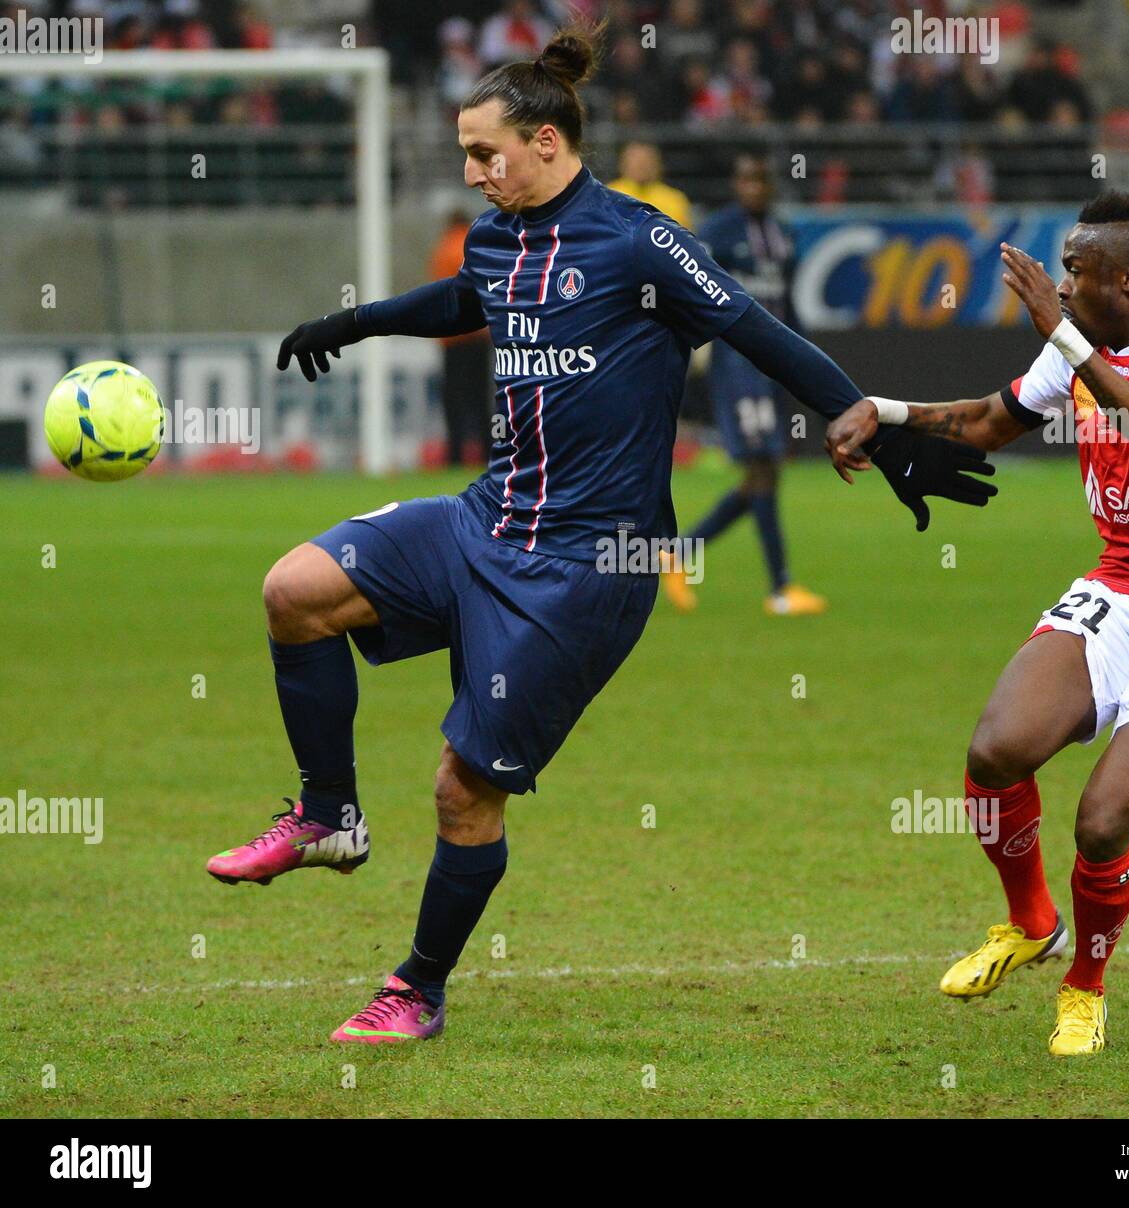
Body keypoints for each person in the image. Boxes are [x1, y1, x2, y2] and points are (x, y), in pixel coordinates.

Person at [205, 23, 997, 1044]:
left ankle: (417, 988)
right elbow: (463, 295)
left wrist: (879, 432)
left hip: (586, 569)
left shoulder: (636, 240)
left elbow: (756, 328)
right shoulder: (495, 233)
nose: (472, 172)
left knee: (462, 788)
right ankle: (328, 815)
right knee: (293, 589)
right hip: (483, 518)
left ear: (545, 141)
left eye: (485, 152)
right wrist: (351, 324)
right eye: (463, 154)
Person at [826, 192, 1129, 1056]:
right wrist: (881, 412)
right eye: (1062, 270)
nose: (1062, 282)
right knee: (996, 749)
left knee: (1103, 822)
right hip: (1121, 591)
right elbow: (993, 421)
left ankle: (1085, 986)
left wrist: (1062, 337)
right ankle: (1031, 922)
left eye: (1077, 268)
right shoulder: (1079, 353)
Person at [663, 152, 823, 617]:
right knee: (763, 468)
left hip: (774, 366)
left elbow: (789, 306)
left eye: (760, 179)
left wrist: (804, 363)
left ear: (770, 185)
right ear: (736, 185)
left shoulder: (785, 235)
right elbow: (691, 291)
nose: (753, 187)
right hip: (738, 366)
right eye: (745, 179)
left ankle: (682, 552)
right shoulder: (717, 233)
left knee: (765, 473)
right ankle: (780, 587)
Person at [427, 209, 492, 465]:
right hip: (478, 336)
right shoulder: (475, 246)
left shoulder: (444, 249)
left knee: (454, 401)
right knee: (481, 400)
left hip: (453, 339)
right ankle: (488, 454)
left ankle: (455, 455)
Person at [606, 140, 693, 228]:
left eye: (646, 161)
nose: (641, 165)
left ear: (658, 165)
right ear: (622, 164)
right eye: (635, 161)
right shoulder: (607, 195)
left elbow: (681, 237)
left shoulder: (674, 199)